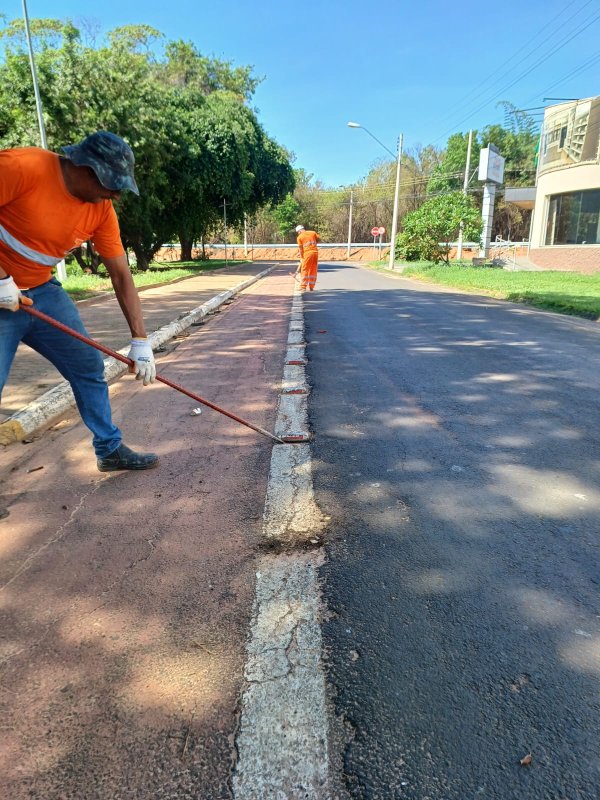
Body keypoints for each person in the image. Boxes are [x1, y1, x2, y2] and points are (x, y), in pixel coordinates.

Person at [0, 131, 159, 472]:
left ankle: (109, 449)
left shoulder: (101, 210)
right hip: (2, 295)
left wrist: (140, 340)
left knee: (88, 366)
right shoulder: (23, 167)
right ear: (87, 168)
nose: (116, 195)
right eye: (112, 185)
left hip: (42, 292)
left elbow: (121, 275)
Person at [295, 224, 320, 291]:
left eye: (298, 232)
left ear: (299, 231)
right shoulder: (313, 232)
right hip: (315, 253)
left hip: (307, 254)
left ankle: (303, 287)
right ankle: (311, 286)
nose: (298, 234)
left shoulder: (299, 237)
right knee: (313, 269)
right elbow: (318, 239)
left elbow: (300, 249)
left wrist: (301, 257)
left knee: (304, 269)